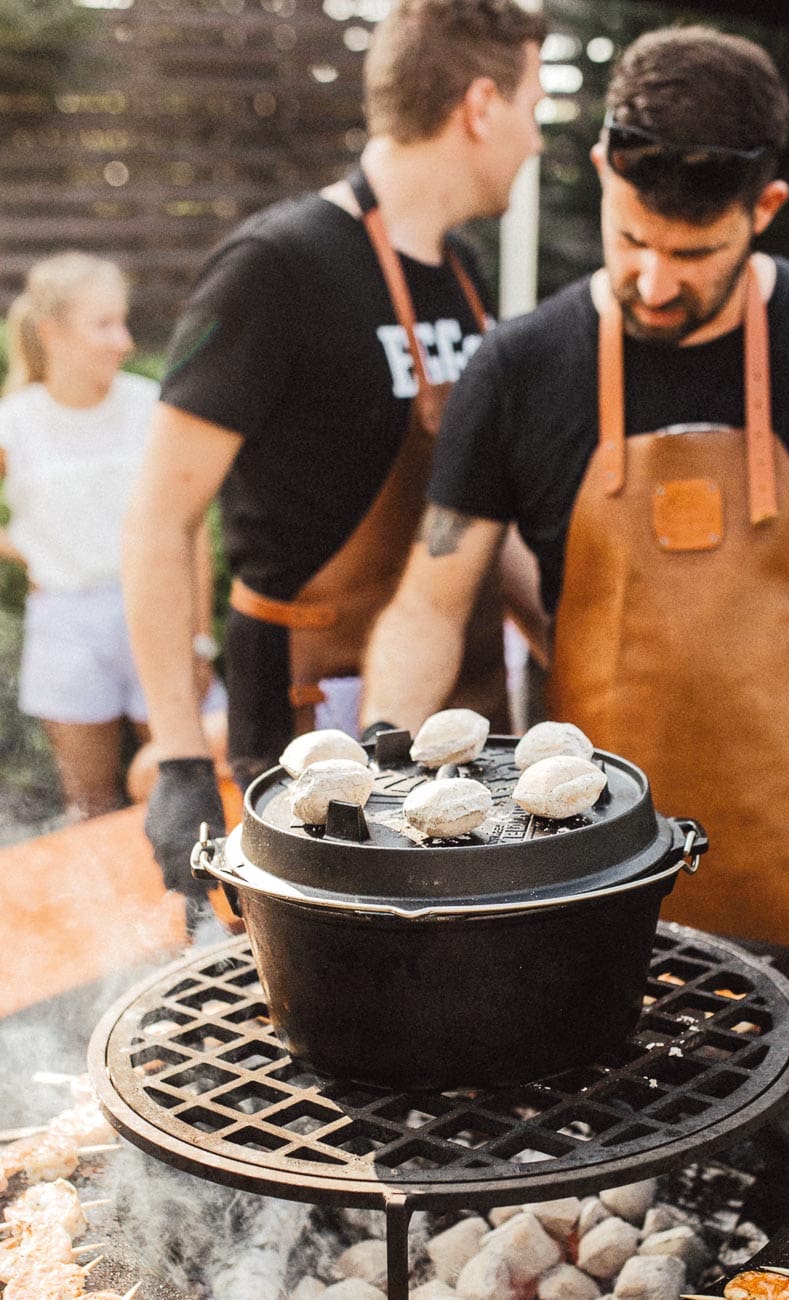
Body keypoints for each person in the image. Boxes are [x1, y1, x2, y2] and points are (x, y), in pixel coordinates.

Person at [360, 25, 789, 994]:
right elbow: (429, 606)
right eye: (630, 239)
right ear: (604, 171)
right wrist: (369, 803)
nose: (652, 281)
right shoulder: (517, 368)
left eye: (692, 253)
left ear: (763, 207)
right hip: (600, 893)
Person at [123, 0, 548, 903]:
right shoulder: (276, 267)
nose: (537, 140)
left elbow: (472, 504)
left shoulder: (465, 275)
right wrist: (176, 752)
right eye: (533, 108)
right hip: (314, 725)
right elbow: (160, 517)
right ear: (480, 105)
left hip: (465, 709)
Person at [0, 252, 214, 822]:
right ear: (52, 333)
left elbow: (191, 532)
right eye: (104, 324)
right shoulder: (14, 421)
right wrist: (27, 549)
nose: (123, 340)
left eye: (123, 321)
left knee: (190, 787)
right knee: (91, 807)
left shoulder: (151, 408)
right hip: (66, 627)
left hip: (158, 609)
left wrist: (199, 638)